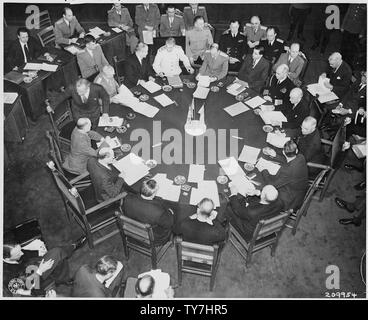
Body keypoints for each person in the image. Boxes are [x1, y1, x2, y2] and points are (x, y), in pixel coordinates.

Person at [3, 239, 85, 297]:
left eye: (20, 249)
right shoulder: (7, 276)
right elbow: (29, 292)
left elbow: (24, 254)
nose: (21, 253)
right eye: (17, 253)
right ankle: (72, 247)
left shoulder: (13, 254)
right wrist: (40, 271)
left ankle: (62, 279)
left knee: (58, 259)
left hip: (32, 267)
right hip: (34, 283)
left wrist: (38, 252)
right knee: (57, 253)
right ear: (7, 259)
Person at [123, 179, 174, 245]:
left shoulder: (127, 199)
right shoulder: (158, 212)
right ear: (153, 194)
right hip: (152, 238)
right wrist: (170, 213)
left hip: (132, 231)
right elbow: (169, 224)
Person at [260, 140, 308, 210]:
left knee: (265, 191)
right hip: (299, 189)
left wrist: (264, 170)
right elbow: (288, 160)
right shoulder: (301, 157)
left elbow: (271, 184)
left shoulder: (287, 171)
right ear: (296, 150)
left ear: (283, 152)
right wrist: (275, 155)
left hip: (290, 198)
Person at [331, 71, 366, 138]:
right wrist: (340, 105)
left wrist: (347, 111)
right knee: (327, 108)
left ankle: (337, 137)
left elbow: (362, 106)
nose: (364, 79)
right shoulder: (358, 82)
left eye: (366, 78)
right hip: (344, 105)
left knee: (340, 122)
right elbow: (348, 94)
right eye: (363, 76)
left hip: (353, 112)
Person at [340, 4, 367, 68]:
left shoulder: (365, 5)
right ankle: (340, 62)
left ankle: (347, 65)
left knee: (351, 50)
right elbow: (347, 14)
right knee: (343, 46)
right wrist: (343, 26)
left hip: (356, 30)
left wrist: (362, 32)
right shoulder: (353, 3)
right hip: (347, 27)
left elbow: (365, 20)